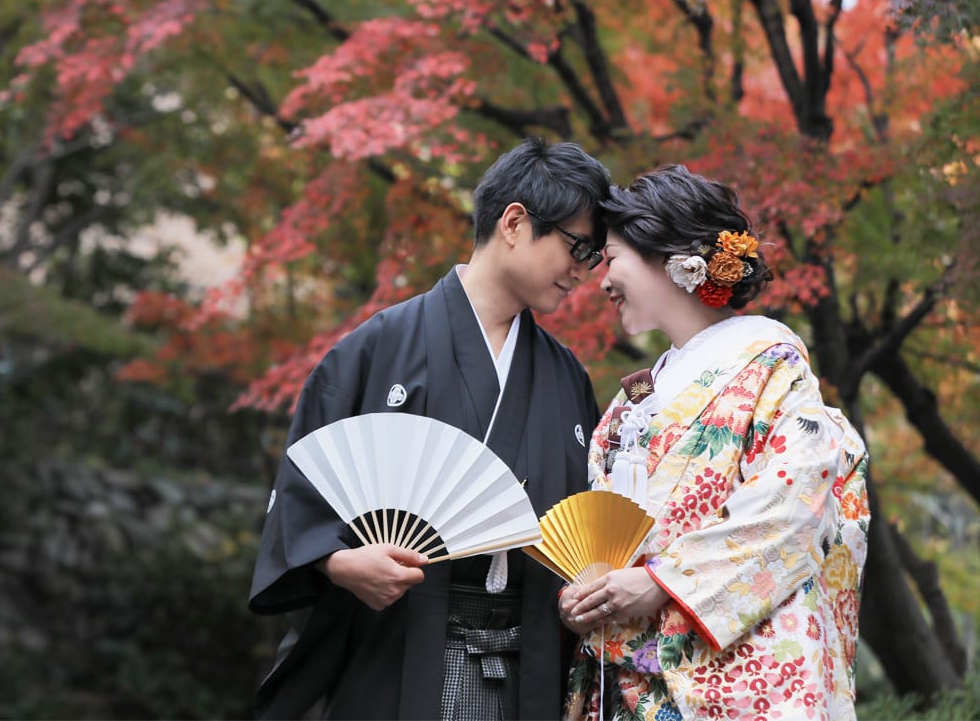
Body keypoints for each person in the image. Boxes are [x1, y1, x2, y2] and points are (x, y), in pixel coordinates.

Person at [249, 137, 612, 721]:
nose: (582, 271)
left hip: (528, 668)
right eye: (577, 247)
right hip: (400, 650)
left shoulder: (567, 376)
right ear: (514, 223)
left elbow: (583, 527)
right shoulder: (377, 348)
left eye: (593, 257)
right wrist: (339, 563)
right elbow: (301, 497)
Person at [559, 164, 870, 721]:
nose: (601, 281)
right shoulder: (638, 394)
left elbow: (793, 503)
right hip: (631, 673)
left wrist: (661, 582)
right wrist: (593, 591)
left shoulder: (771, 364)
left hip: (739, 661)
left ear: (667, 256)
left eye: (611, 259)